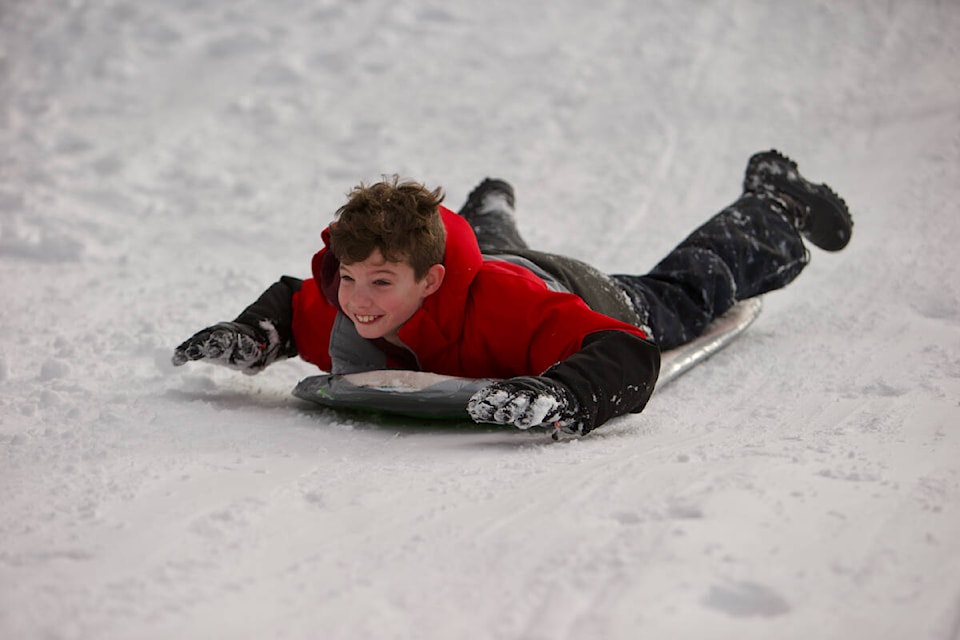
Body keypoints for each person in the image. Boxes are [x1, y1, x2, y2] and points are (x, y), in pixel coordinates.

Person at [172, 150, 852, 436]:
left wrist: (561, 394)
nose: (356, 298)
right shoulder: (356, 299)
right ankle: (487, 207)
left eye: (378, 282)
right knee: (493, 248)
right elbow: (295, 303)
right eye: (348, 277)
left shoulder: (507, 309)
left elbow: (627, 352)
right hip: (481, 259)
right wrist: (253, 334)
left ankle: (770, 201)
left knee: (679, 295)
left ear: (428, 279)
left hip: (568, 286)